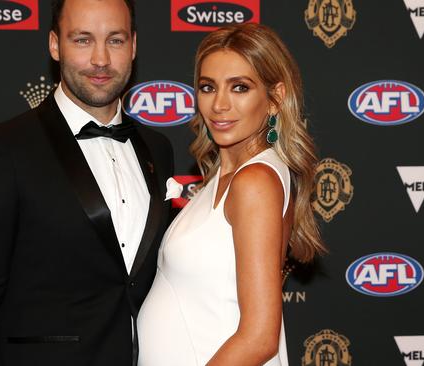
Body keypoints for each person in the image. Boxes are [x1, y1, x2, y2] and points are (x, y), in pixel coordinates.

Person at [0, 0, 173, 365]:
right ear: (54, 44)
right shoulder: (4, 149)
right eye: (82, 40)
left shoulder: (157, 149)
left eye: (115, 40)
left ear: (134, 46)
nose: (100, 59)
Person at [137, 23, 326, 366]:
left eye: (240, 87)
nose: (219, 105)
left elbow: (259, 338)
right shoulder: (226, 179)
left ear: (275, 98)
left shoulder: (255, 180)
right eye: (208, 87)